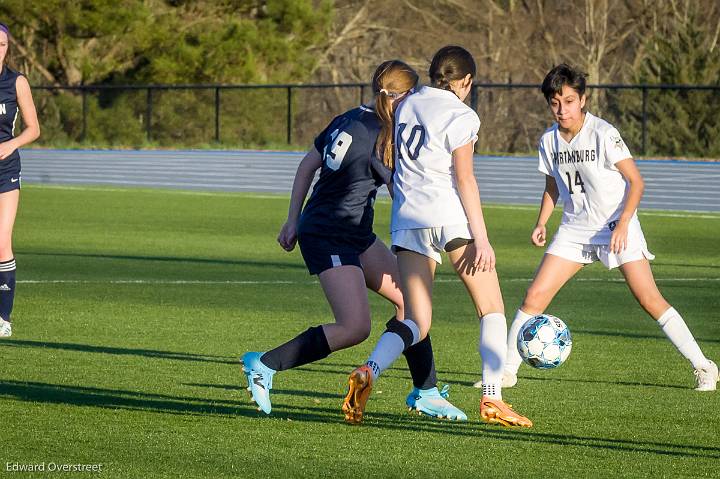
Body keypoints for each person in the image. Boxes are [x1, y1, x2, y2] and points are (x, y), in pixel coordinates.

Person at [241, 60, 463, 419]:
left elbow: (307, 165)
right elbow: (397, 186)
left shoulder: (350, 117)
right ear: (402, 97)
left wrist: (292, 217)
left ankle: (426, 390)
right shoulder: (381, 134)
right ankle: (264, 364)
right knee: (354, 326)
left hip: (351, 231)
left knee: (411, 305)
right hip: (330, 234)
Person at [342, 46, 533, 427]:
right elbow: (464, 179)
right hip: (448, 218)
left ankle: (370, 369)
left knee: (416, 320)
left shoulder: (408, 102)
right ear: (466, 82)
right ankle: (492, 398)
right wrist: (482, 238)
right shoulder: (463, 115)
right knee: (491, 308)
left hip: (408, 218)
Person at [501, 63, 718, 392]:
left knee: (648, 298)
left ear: (583, 99)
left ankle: (704, 366)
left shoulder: (604, 133)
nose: (562, 109)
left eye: (570, 101)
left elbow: (636, 183)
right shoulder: (548, 141)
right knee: (534, 296)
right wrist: (542, 222)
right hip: (575, 230)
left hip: (616, 225)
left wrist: (624, 225)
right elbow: (553, 187)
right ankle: (506, 372)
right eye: (555, 103)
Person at [0, 22, 41, 338]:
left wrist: (11, 143)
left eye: (2, 45)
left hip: (5, 170)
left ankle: (3, 318)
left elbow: (33, 128)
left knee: (1, 242)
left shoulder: (16, 82)